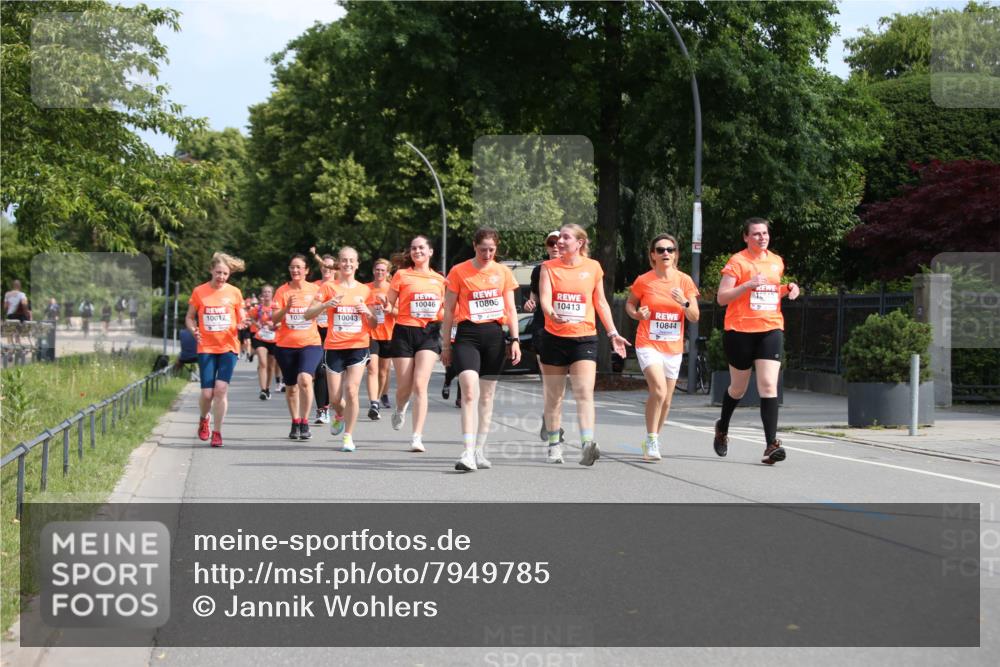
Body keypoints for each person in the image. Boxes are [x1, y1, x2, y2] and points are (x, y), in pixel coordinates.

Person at [538, 224, 629, 466]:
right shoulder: (548, 268)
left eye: (565, 237)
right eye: (559, 237)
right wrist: (551, 313)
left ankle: (587, 444)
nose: (560, 241)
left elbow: (601, 303)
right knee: (554, 396)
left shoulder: (593, 268)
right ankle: (555, 445)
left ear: (579, 243)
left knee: (584, 392)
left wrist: (613, 333)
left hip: (584, 337)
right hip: (554, 338)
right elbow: (545, 300)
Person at [713, 217, 800, 465]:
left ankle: (771, 444)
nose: (762, 238)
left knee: (768, 385)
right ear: (746, 237)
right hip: (739, 330)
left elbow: (772, 290)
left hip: (771, 328)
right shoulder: (737, 262)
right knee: (738, 388)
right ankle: (722, 427)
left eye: (765, 233)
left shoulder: (776, 262)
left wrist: (790, 288)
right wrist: (748, 284)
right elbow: (722, 297)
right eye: (756, 234)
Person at [441, 227, 522, 472]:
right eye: (483, 249)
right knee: (468, 391)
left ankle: (479, 450)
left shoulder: (503, 272)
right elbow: (448, 311)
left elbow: (511, 310)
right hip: (467, 335)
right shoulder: (459, 271)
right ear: (474, 246)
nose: (487, 254)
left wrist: (515, 340)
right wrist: (446, 345)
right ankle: (466, 452)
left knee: (486, 396)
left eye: (492, 250)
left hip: (495, 336)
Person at [626, 234, 700, 462]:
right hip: (648, 342)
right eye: (660, 250)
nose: (665, 253)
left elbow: (695, 316)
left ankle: (654, 436)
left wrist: (684, 303)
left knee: (667, 400)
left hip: (673, 347)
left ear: (676, 254)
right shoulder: (644, 280)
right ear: (653, 255)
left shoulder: (684, 281)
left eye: (670, 249)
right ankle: (651, 439)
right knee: (657, 391)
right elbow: (630, 304)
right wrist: (637, 314)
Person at [306, 247, 377, 452]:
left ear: (357, 264)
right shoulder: (328, 287)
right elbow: (307, 314)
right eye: (344, 260)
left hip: (358, 345)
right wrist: (325, 305)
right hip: (334, 347)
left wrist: (367, 313)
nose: (347, 264)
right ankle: (338, 414)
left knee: (352, 391)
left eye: (351, 261)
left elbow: (374, 325)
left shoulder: (365, 291)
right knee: (336, 398)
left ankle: (348, 436)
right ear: (339, 263)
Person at [385, 235, 447, 452]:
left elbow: (443, 309)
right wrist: (385, 306)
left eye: (421, 248)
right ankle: (400, 408)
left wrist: (443, 315)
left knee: (420, 384)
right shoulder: (402, 275)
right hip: (404, 332)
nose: (417, 251)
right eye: (413, 248)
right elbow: (390, 305)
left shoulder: (440, 280)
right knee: (405, 386)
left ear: (430, 252)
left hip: (429, 333)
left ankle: (416, 437)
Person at [184, 253, 248, 448]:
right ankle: (204, 419)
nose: (221, 277)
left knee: (220, 390)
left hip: (228, 346)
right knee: (206, 394)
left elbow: (242, 315)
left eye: (225, 274)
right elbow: (189, 317)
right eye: (218, 272)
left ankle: (217, 432)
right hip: (206, 347)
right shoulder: (199, 292)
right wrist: (193, 329)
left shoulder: (234, 292)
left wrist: (243, 322)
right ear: (211, 270)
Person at [271, 254, 324, 440]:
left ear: (307, 270)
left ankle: (305, 421)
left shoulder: (315, 290)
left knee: (305, 379)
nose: (295, 270)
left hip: (310, 343)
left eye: (299, 267)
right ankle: (295, 421)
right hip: (285, 345)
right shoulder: (282, 291)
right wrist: (286, 308)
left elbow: (319, 311)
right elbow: (274, 319)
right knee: (291, 387)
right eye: (292, 267)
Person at [522, 230, 563, 441]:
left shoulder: (573, 269)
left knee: (560, 382)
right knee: (549, 379)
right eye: (551, 243)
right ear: (546, 247)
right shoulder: (539, 270)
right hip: (543, 328)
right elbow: (533, 299)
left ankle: (551, 419)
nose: (555, 246)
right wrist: (530, 304)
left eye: (558, 242)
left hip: (567, 329)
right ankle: (552, 421)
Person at [365, 258, 395, 420]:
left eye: (383, 270)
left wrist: (389, 308)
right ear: (373, 271)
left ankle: (377, 398)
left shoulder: (392, 289)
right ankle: (374, 403)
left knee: (383, 372)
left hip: (389, 334)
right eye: (377, 269)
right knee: (372, 369)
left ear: (388, 273)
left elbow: (401, 312)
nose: (379, 273)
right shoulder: (366, 289)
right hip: (371, 334)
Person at [311, 253, 338, 425]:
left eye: (330, 266)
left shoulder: (340, 287)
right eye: (324, 266)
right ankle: (322, 409)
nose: (326, 269)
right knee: (320, 370)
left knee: (332, 372)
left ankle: (335, 405)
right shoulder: (313, 287)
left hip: (335, 332)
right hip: (315, 332)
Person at [248, 285, 279, 400]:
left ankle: (267, 388)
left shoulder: (277, 308)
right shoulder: (258, 308)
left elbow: (282, 321)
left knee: (270, 366)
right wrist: (256, 324)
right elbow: (251, 318)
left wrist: (275, 325)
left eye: (269, 292)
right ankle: (262, 390)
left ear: (272, 294)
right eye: (264, 292)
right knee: (262, 362)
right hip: (260, 338)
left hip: (274, 338)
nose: (266, 294)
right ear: (262, 295)